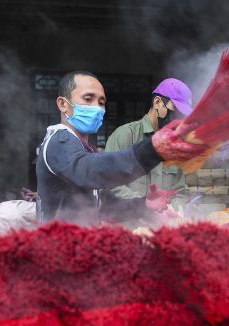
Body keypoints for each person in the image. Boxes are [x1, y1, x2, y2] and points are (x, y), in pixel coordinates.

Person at [36, 71, 204, 224]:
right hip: (58, 252)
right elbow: (90, 171)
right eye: (88, 99)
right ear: (63, 104)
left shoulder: (83, 147)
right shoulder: (58, 141)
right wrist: (152, 149)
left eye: (101, 103)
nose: (97, 108)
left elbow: (103, 206)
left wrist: (144, 206)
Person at [105, 78, 192, 209]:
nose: (178, 118)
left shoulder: (174, 147)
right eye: (175, 110)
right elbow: (110, 183)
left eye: (182, 114)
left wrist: (176, 210)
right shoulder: (124, 136)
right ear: (157, 102)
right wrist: (145, 207)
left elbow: (178, 193)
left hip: (163, 226)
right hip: (129, 225)